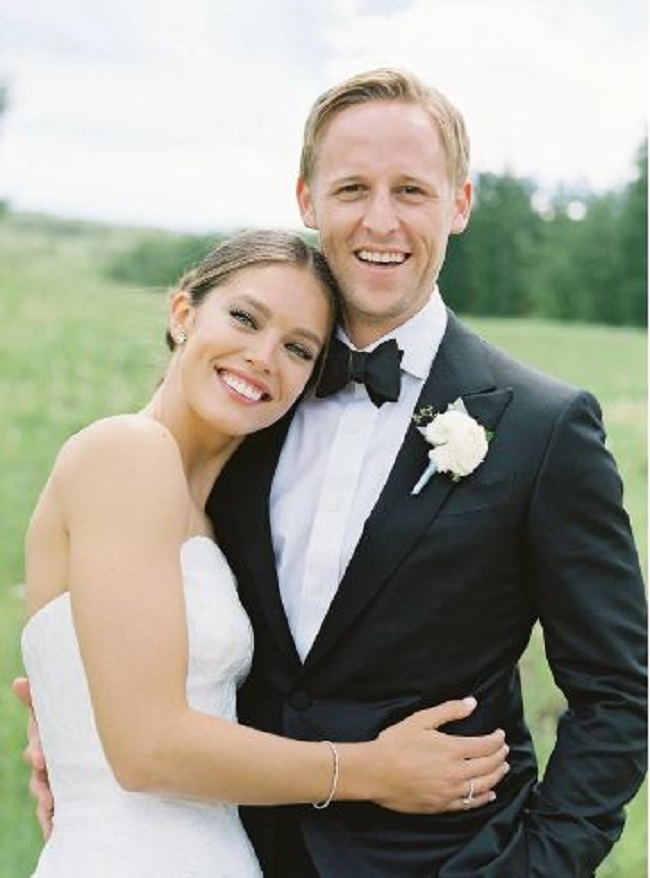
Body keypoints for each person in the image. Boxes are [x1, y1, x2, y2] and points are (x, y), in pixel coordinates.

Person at [205, 70, 646, 876]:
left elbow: (619, 695)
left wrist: (533, 868)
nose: (381, 220)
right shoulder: (243, 395)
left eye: (411, 189)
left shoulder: (547, 429)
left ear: (460, 205)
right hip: (225, 847)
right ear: (308, 200)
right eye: (352, 188)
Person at [15, 228, 509, 878]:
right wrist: (369, 771)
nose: (262, 356)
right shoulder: (128, 453)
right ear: (183, 312)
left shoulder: (213, 514)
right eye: (244, 318)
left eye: (298, 348)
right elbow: (146, 749)